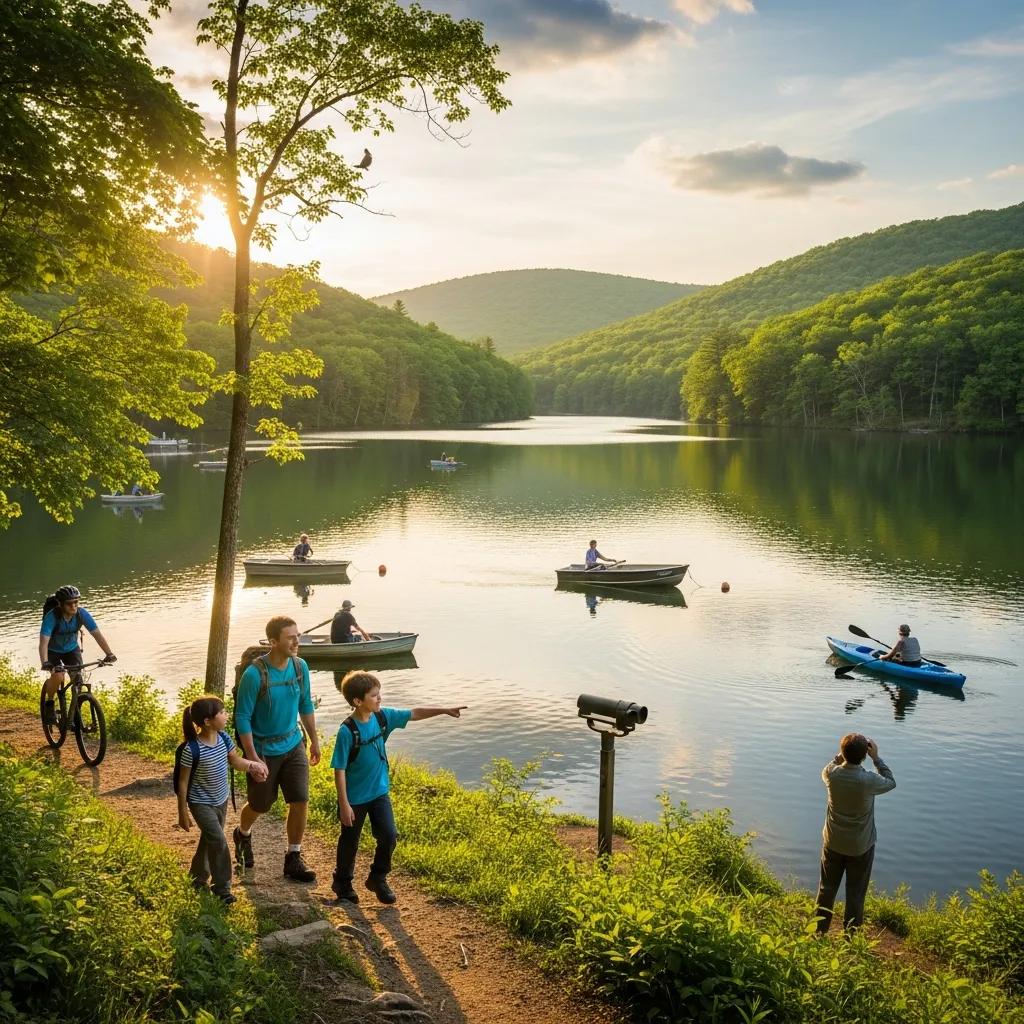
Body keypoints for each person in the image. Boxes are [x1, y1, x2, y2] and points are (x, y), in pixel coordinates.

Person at [331, 671, 467, 905]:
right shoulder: (347, 731)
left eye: (379, 694)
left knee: (389, 835)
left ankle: (377, 877)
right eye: (374, 696)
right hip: (354, 798)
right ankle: (342, 883)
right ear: (357, 701)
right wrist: (344, 804)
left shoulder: (383, 717)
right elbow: (339, 769)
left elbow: (414, 713)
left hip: (379, 793)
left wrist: (443, 709)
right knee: (350, 841)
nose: (380, 699)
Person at [233, 616, 321, 882]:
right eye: (290, 637)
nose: (297, 641)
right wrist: (252, 757)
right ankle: (242, 833)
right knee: (261, 804)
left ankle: (293, 857)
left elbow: (305, 704)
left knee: (300, 799)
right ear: (273, 642)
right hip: (264, 750)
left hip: (293, 743)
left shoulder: (299, 667)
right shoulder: (254, 674)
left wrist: (314, 739)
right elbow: (243, 717)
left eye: (298, 635)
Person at [175, 695, 268, 904]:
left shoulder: (224, 738)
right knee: (218, 840)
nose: (227, 716)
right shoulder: (191, 750)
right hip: (200, 803)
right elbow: (182, 783)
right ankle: (222, 888)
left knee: (209, 839)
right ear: (207, 721)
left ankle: (197, 879)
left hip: (221, 799)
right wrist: (182, 812)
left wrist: (253, 765)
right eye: (222, 713)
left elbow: (235, 761)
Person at [814, 732, 896, 936]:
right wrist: (877, 758)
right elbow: (890, 781)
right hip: (860, 847)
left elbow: (827, 767)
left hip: (833, 843)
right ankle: (850, 938)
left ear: (843, 752)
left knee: (826, 889)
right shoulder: (869, 780)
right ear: (864, 756)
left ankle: (818, 932)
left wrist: (840, 757)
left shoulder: (832, 775)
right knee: (855, 894)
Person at [39, 585, 116, 725]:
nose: (74, 606)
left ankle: (73, 715)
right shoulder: (52, 617)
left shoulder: (82, 614)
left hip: (71, 649)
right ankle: (49, 703)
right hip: (52, 650)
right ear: (61, 604)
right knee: (58, 675)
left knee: (78, 680)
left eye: (76, 602)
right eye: (69, 603)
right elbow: (43, 643)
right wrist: (45, 662)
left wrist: (109, 653)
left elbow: (97, 635)